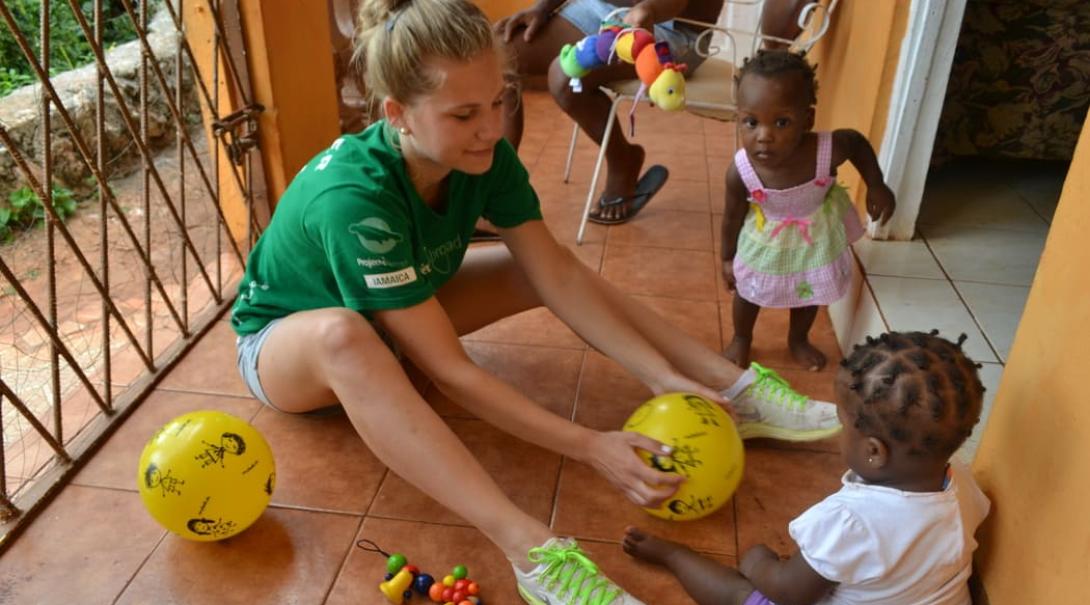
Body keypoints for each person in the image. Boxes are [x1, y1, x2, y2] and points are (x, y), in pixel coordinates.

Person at [230, 1, 839, 602]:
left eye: (499, 100)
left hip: (393, 311)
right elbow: (450, 373)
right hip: (290, 349)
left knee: (535, 267)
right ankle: (530, 552)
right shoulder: (353, 201)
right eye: (465, 113)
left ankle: (732, 389)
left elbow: (558, 278)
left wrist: (662, 379)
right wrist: (591, 446)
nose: (491, 128)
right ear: (399, 114)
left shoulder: (480, 154)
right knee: (344, 336)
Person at [623, 330, 991, 605]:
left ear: (874, 452)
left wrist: (758, 562)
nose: (840, 431)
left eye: (844, 424)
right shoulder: (964, 486)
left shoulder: (851, 521)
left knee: (744, 595)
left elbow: (786, 592)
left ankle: (672, 555)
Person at [720, 49, 896, 372]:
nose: (764, 136)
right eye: (751, 122)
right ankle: (741, 337)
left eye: (782, 122)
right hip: (765, 241)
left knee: (810, 292)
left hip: (815, 236)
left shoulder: (826, 150)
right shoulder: (741, 170)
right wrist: (727, 258)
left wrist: (877, 183)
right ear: (739, 118)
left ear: (808, 119)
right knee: (748, 291)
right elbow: (731, 216)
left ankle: (798, 339)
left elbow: (856, 143)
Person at [496, 0, 724, 224]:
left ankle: (621, 159)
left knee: (565, 76)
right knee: (496, 53)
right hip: (601, 9)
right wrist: (543, 8)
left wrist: (649, 9)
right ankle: (495, 191)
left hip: (671, 30)